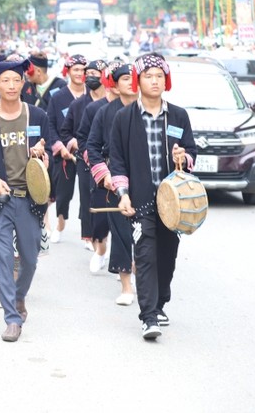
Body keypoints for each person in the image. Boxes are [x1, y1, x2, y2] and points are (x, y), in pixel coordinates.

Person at [109, 53, 196, 340]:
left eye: (159, 75)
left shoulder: (179, 115)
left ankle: (159, 303)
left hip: (173, 203)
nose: (154, 80)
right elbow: (118, 161)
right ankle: (148, 317)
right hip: (141, 202)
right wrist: (123, 193)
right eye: (148, 76)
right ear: (138, 80)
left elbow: (192, 151)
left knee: (167, 257)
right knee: (145, 255)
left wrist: (183, 157)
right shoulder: (124, 118)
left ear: (166, 80)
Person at [0, 58, 51, 342]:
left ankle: (19, 296)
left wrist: (41, 155)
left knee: (29, 258)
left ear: (23, 83)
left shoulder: (37, 116)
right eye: (6, 81)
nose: (12, 85)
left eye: (16, 80)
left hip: (29, 201)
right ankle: (11, 318)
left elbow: (47, 157)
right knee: (2, 259)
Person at [87, 61, 137, 305]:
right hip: (114, 180)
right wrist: (104, 175)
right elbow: (92, 146)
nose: (131, 82)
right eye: (125, 78)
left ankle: (142, 273)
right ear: (115, 85)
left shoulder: (148, 109)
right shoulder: (105, 112)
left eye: (134, 77)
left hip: (144, 179)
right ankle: (126, 285)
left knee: (145, 234)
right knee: (120, 232)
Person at [60, 59, 107, 252]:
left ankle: (103, 236)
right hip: (85, 158)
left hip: (110, 159)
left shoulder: (114, 103)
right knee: (88, 197)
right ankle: (89, 236)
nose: (91, 77)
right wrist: (75, 145)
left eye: (96, 74)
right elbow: (67, 131)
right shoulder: (79, 105)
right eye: (89, 74)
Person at [46, 54, 86, 244]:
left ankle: (89, 234)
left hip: (88, 152)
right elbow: (51, 125)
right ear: (68, 71)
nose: (80, 73)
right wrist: (60, 147)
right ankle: (60, 224)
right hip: (63, 154)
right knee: (63, 193)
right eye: (76, 69)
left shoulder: (93, 95)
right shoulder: (58, 97)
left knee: (89, 195)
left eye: (83, 70)